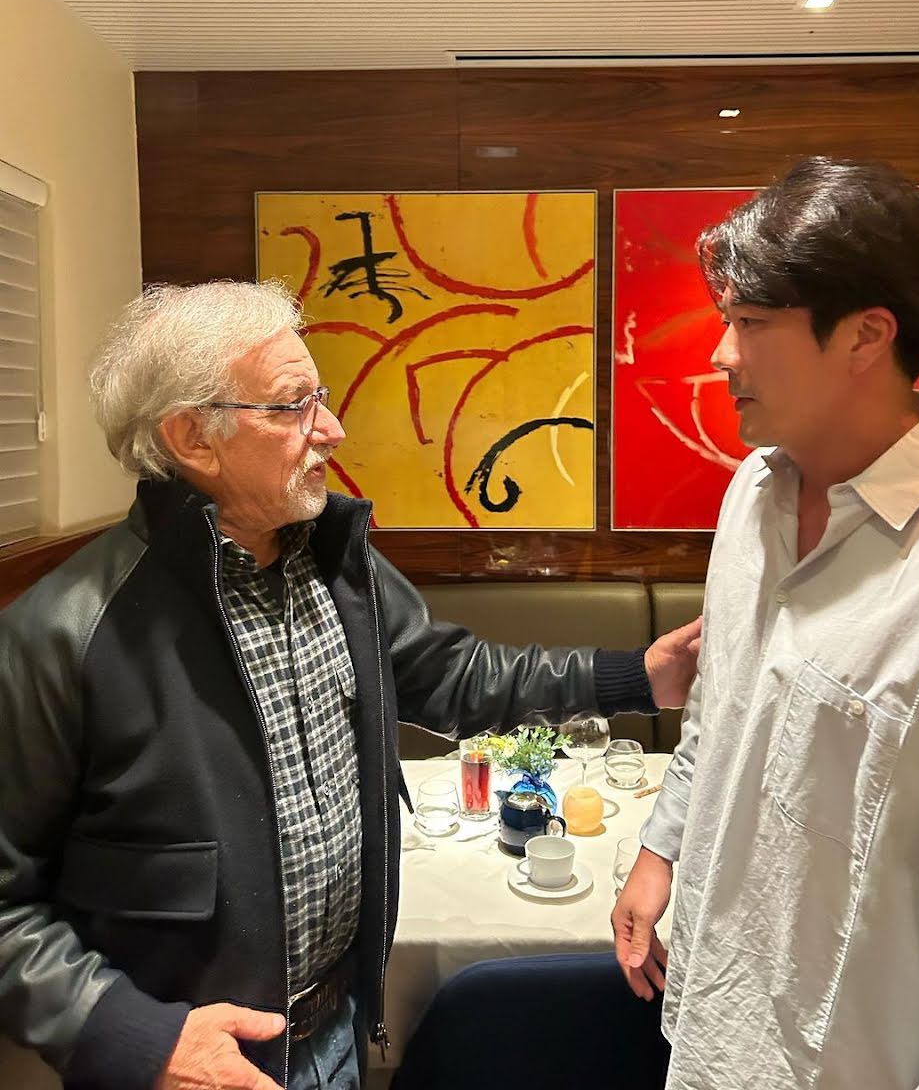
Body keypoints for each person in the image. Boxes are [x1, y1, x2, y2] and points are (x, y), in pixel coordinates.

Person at [0, 280, 701, 1090]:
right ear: (193, 438)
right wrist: (140, 1040)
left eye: (322, 399)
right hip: (187, 1070)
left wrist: (639, 677)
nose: (330, 430)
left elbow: (456, 676)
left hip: (337, 1035)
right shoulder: (63, 634)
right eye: (293, 406)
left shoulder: (334, 563)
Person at [614, 157, 919, 1089]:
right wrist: (660, 849)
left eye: (752, 324)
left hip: (847, 1058)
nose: (722, 355)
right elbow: (721, 710)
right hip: (711, 1017)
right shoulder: (753, 491)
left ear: (867, 335)